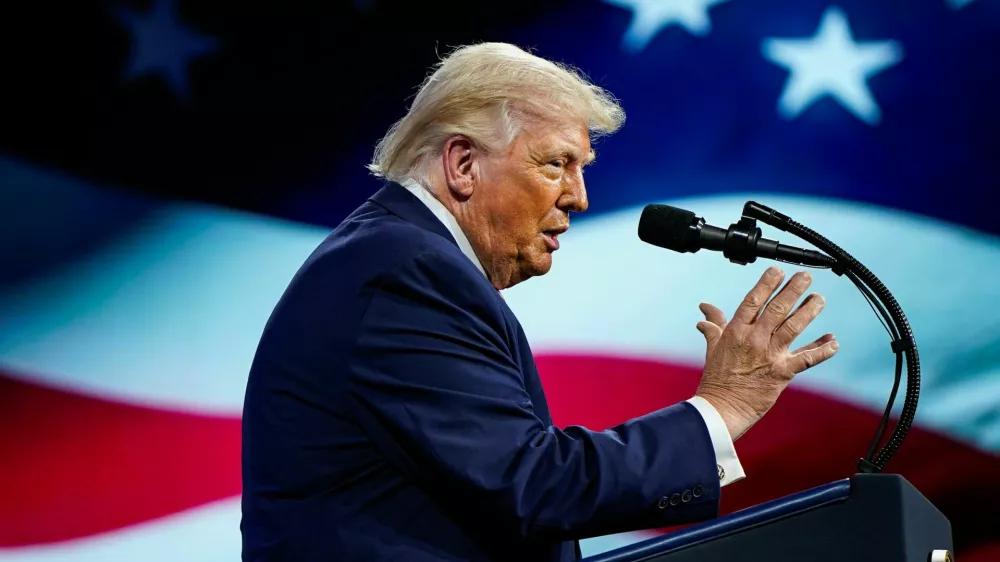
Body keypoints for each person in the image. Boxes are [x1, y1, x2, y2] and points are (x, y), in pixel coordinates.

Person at [239, 42, 840, 561]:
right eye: (556, 164)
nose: (578, 197)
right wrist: (724, 405)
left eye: (582, 168)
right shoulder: (409, 272)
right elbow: (535, 485)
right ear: (463, 163)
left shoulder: (397, 259)